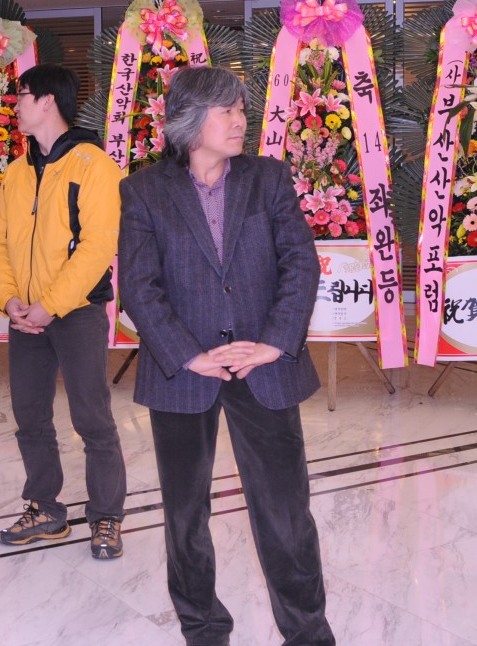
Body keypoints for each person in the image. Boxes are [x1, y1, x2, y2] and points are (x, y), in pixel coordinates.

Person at [118, 66, 334, 645]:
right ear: (190, 122)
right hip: (183, 372)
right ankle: (204, 627)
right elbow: (139, 285)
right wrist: (189, 355)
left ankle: (308, 632)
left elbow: (300, 263)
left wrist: (275, 342)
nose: (241, 121)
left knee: (285, 512)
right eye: (227, 111)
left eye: (242, 109)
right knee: (186, 514)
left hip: (263, 366)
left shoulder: (268, 178)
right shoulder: (144, 191)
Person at [0, 63, 128, 558]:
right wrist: (9, 299)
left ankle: (106, 516)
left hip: (77, 312)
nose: (15, 105)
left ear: (47, 101)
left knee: (92, 417)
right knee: (30, 417)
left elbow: (97, 248)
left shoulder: (94, 166)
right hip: (24, 316)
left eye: (21, 95)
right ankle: (45, 508)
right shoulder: (16, 172)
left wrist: (49, 306)